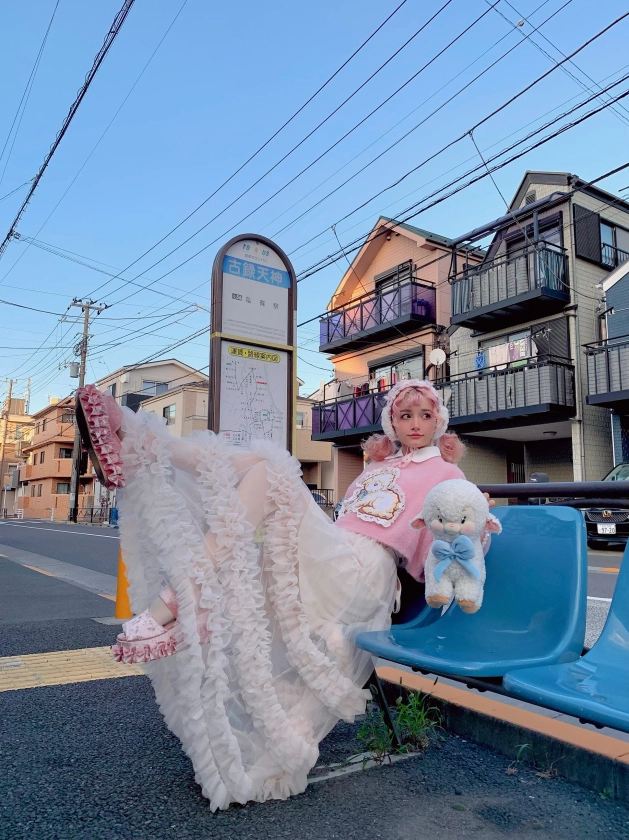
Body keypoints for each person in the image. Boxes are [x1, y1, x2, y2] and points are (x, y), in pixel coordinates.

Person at [76, 379, 486, 811]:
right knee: (261, 464)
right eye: (405, 416)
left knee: (272, 470)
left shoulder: (447, 474)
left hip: (366, 573)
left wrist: (476, 527)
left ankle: (176, 555)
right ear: (392, 422)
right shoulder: (374, 468)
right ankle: (141, 447)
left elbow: (455, 539)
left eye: (425, 415)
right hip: (334, 553)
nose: (415, 424)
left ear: (439, 421)